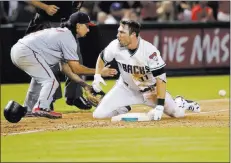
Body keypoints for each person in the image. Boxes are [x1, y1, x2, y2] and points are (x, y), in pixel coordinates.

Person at [10, 12, 117, 119]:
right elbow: (76, 68)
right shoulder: (68, 37)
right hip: (26, 52)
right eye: (87, 26)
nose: (88, 29)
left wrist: (85, 85)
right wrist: (99, 71)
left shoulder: (64, 34)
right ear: (78, 25)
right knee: (50, 81)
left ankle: (29, 109)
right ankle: (41, 107)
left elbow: (66, 68)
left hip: (20, 50)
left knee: (42, 80)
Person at [92, 20, 200, 121]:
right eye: (118, 32)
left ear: (133, 35)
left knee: (177, 114)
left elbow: (161, 78)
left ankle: (179, 102)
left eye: (122, 32)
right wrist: (97, 75)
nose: (118, 35)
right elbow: (102, 58)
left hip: (151, 92)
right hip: (125, 88)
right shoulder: (115, 45)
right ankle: (123, 107)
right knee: (99, 115)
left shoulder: (149, 51)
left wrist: (160, 105)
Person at [25, 1, 93, 111]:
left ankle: (74, 96)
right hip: (47, 22)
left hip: (69, 21)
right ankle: (48, 99)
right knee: (49, 63)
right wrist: (45, 6)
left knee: (75, 59)